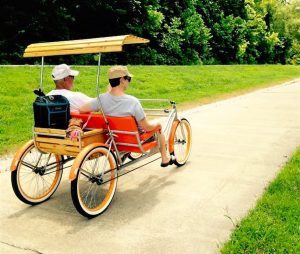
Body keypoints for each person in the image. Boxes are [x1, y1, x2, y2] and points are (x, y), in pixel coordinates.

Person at [80, 65, 172, 167]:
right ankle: (165, 158)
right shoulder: (133, 102)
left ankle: (122, 154)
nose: (129, 81)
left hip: (113, 139)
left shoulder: (101, 99)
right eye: (128, 78)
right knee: (158, 128)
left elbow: (82, 109)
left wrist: (108, 93)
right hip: (134, 141)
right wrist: (157, 125)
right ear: (122, 80)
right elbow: (146, 127)